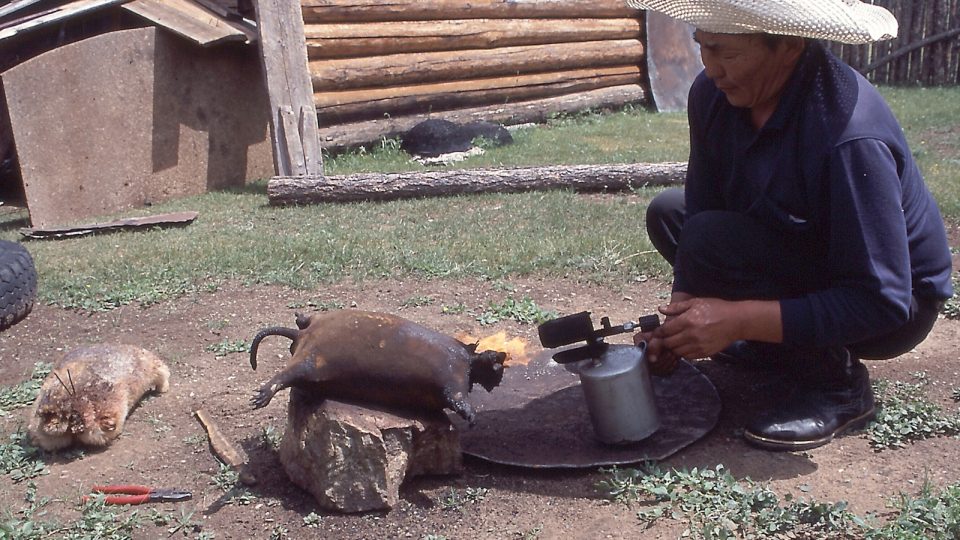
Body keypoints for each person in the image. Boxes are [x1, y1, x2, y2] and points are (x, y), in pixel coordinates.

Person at [627, 0, 954, 451]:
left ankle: (838, 389)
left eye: (727, 53)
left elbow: (882, 301)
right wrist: (679, 322)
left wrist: (737, 317)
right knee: (673, 214)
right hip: (809, 249)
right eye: (704, 47)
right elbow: (703, 213)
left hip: (893, 306)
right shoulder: (712, 96)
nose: (712, 68)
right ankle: (771, 345)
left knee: (716, 243)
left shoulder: (849, 134)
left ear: (790, 46)